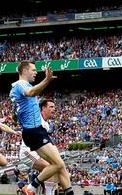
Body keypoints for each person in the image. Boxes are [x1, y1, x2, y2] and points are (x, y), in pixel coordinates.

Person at [10, 62, 74, 195]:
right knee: (57, 164)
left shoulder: (21, 87)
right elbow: (31, 92)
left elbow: (15, 115)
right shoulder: (20, 85)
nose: (35, 72)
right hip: (34, 131)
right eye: (33, 70)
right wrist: (47, 80)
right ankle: (30, 188)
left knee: (60, 166)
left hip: (35, 131)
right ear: (24, 71)